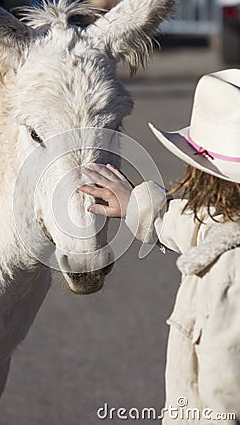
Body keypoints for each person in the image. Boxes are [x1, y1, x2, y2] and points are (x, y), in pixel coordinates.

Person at [78, 69, 240, 423]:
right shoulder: (227, 230)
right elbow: (201, 226)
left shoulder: (230, 273)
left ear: (201, 171)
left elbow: (225, 402)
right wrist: (137, 205)